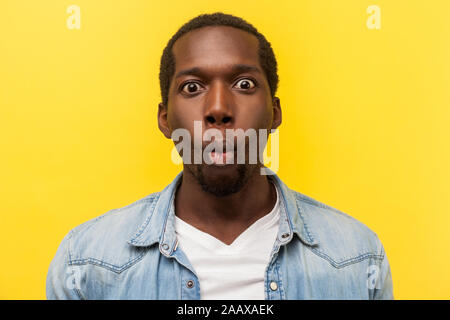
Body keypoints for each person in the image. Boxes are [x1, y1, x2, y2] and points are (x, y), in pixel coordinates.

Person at [46, 12, 393, 300]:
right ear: (165, 120)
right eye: (192, 87)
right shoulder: (86, 265)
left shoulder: (358, 260)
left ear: (274, 113)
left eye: (243, 84)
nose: (217, 109)